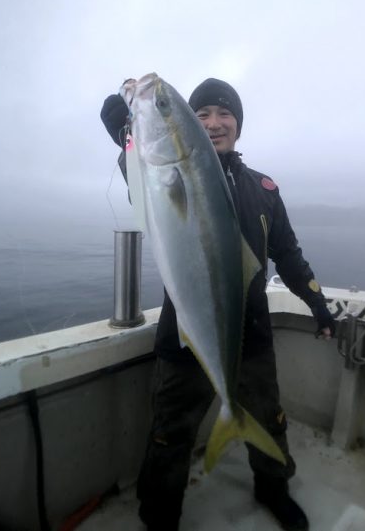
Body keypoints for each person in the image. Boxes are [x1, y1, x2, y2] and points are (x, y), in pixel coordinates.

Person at [100, 78, 335, 531]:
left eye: (224, 114)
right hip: (184, 334)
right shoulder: (159, 172)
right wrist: (126, 142)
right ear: (191, 125)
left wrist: (317, 303)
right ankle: (160, 515)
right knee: (170, 433)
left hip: (250, 336)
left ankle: (273, 488)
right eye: (202, 113)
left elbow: (286, 252)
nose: (213, 123)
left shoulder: (264, 190)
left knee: (270, 418)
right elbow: (146, 195)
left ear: (238, 125)